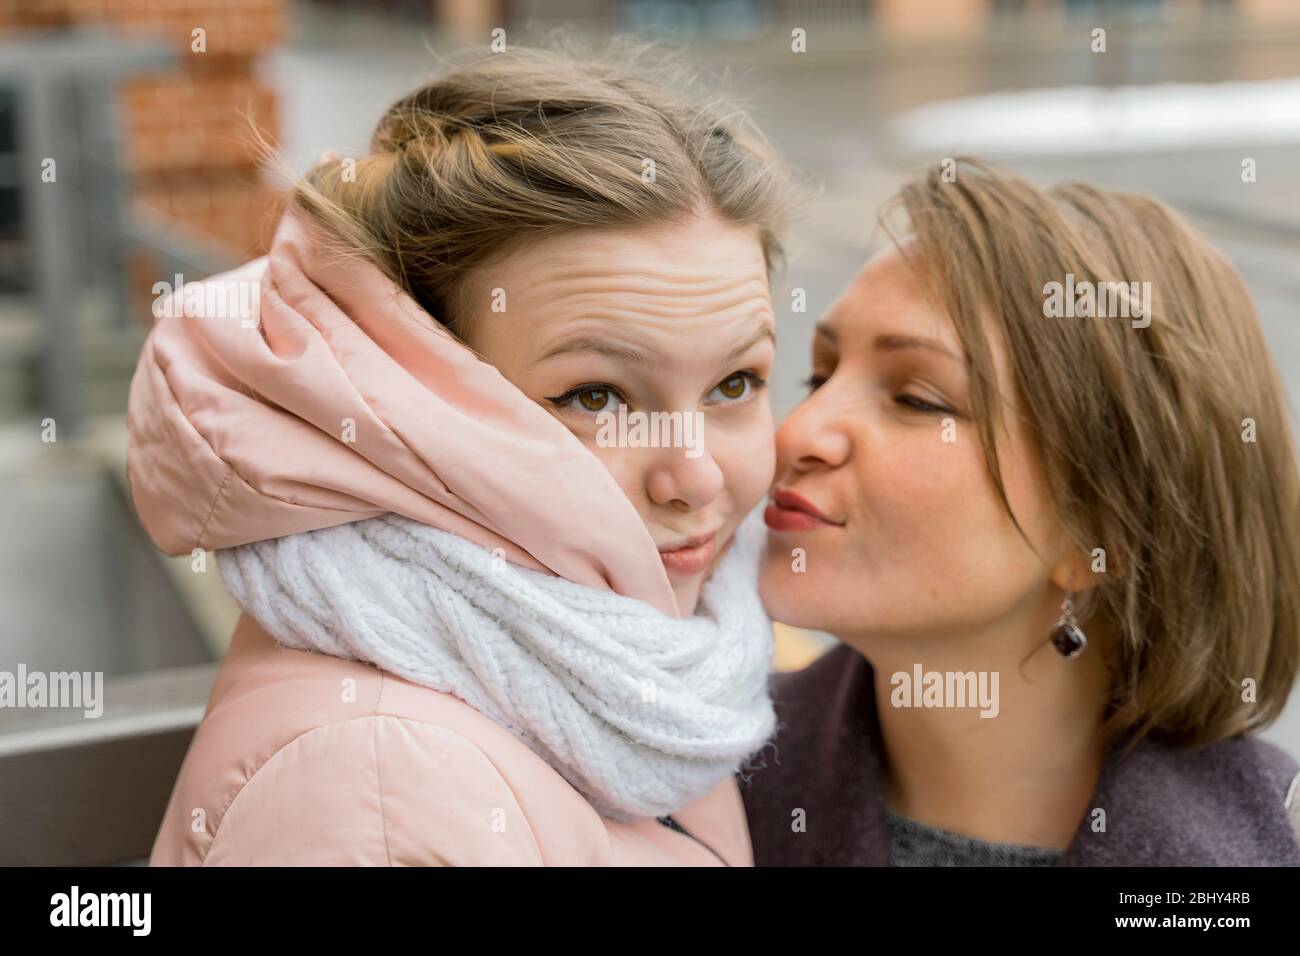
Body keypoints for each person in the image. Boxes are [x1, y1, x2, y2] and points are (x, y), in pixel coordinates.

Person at [132, 44, 790, 865]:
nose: (696, 478)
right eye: (596, 397)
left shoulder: (626, 656)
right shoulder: (379, 795)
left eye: (735, 383)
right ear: (414, 404)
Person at [743, 158, 1300, 866]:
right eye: (816, 376)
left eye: (918, 399)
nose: (794, 433)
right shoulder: (682, 798)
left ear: (1104, 531)